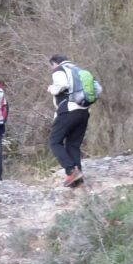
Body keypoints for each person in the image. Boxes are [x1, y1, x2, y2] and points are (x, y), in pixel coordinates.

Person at [48, 54, 92, 187]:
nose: (52, 69)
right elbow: (96, 89)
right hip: (84, 111)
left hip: (68, 110)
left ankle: (71, 171)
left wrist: (51, 89)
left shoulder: (60, 70)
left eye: (51, 66)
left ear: (55, 63)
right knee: (73, 145)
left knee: (55, 142)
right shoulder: (79, 70)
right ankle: (78, 178)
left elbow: (62, 85)